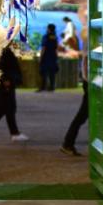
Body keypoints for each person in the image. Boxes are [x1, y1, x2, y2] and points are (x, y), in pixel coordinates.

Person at [0, 46, 29, 143]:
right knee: (1, 108)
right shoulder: (2, 49)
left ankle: (14, 133)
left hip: (9, 80)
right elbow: (0, 65)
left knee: (10, 108)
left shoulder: (6, 48)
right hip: (6, 82)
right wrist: (5, 79)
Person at [61, 27, 88, 156]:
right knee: (81, 116)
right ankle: (67, 143)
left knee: (82, 117)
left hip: (88, 83)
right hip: (90, 85)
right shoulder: (88, 52)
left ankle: (68, 143)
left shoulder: (86, 49)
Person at [39, 24, 60, 91]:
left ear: (49, 29)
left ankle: (43, 87)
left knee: (44, 72)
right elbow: (56, 48)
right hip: (53, 57)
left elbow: (43, 48)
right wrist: (56, 57)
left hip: (46, 57)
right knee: (52, 73)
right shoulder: (55, 37)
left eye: (47, 28)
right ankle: (52, 87)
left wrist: (40, 57)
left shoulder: (45, 37)